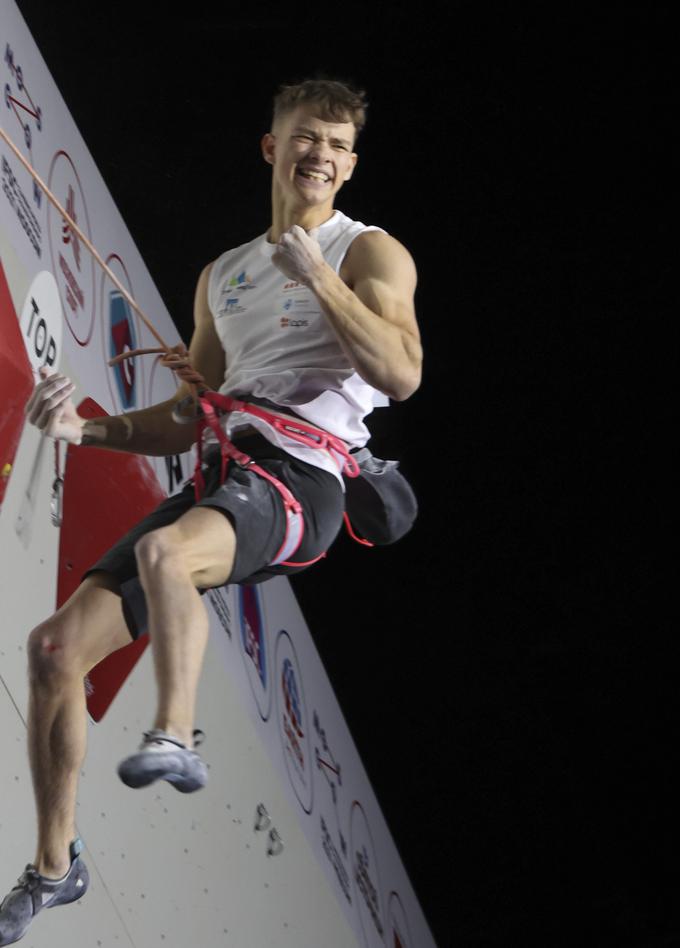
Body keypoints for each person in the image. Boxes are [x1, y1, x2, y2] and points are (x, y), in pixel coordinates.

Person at [0, 78, 421, 946]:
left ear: (350, 165)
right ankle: (54, 867)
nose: (324, 156)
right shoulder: (223, 276)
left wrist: (320, 280)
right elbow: (191, 415)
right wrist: (90, 429)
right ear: (273, 147)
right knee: (52, 652)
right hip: (223, 471)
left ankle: (175, 734)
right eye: (308, 137)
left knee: (166, 560)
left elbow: (401, 371)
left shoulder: (368, 251)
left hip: (305, 476)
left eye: (340, 146)